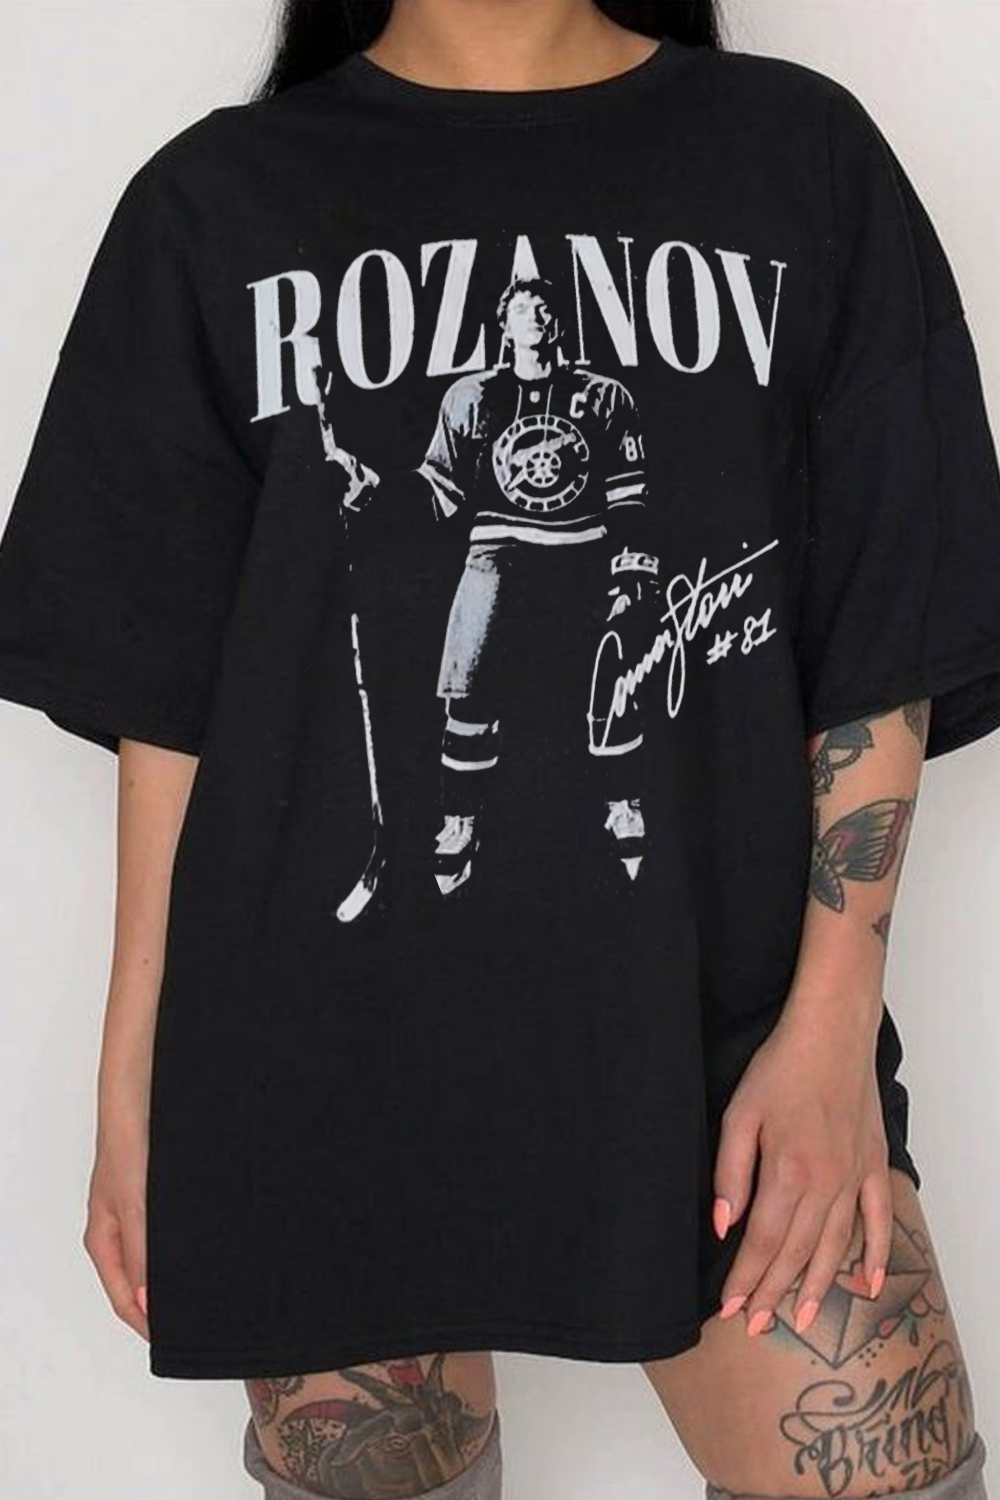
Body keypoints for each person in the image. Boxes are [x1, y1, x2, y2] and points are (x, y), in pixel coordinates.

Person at [0, 2, 997, 1498]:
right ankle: (455, 832)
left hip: (714, 1035)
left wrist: (833, 1028)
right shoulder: (215, 201)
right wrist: (136, 1083)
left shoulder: (797, 159)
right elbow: (172, 702)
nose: (529, 334)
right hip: (323, 1045)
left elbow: (887, 619)